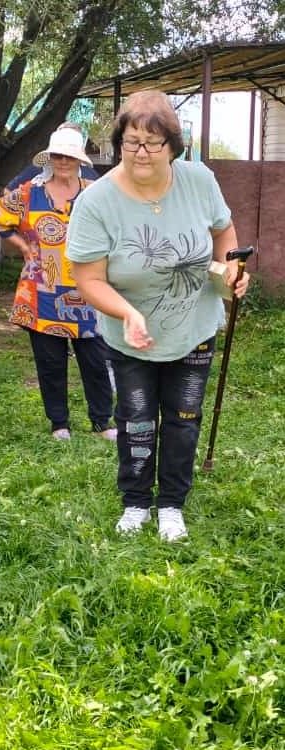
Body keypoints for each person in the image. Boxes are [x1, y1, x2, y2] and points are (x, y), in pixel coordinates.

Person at [66, 90, 249, 541]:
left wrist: (233, 269)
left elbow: (223, 229)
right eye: (131, 142)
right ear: (118, 143)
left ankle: (170, 504)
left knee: (184, 421)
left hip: (193, 327)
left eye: (152, 142)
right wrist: (127, 312)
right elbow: (88, 279)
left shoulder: (198, 180)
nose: (141, 152)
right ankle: (135, 501)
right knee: (136, 420)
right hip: (132, 335)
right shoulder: (97, 202)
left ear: (173, 145)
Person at [0, 124, 115, 441]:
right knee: (50, 364)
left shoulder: (96, 193)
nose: (63, 162)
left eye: (69, 156)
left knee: (96, 362)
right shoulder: (30, 192)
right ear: (50, 158)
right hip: (40, 292)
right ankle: (60, 424)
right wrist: (21, 244)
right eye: (58, 156)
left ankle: (102, 423)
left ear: (79, 159)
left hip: (89, 290)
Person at [4, 122, 99, 193]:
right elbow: (8, 191)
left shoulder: (92, 182)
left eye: (71, 156)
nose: (64, 161)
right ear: (50, 156)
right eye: (58, 155)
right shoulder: (35, 178)